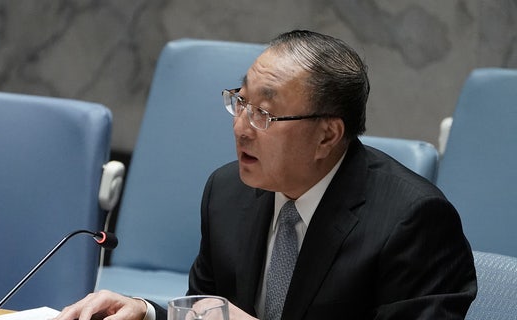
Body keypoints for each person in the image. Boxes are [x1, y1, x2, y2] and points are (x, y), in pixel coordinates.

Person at [55, 30, 477, 320]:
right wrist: (146, 312)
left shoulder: (412, 221)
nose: (240, 127)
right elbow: (211, 312)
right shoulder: (227, 192)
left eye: (265, 114)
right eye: (240, 102)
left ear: (327, 135)